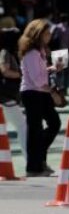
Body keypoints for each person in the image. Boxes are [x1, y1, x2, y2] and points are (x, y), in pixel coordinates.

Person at [18, 19, 61, 177]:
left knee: (53, 123)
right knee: (35, 129)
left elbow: (40, 74)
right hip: (32, 93)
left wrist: (52, 68)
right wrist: (53, 92)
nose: (50, 36)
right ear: (38, 34)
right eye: (47, 33)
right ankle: (34, 166)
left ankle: (38, 160)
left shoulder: (40, 52)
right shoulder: (32, 53)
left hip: (39, 93)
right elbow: (37, 80)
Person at [0, 28, 27, 158]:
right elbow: (4, 70)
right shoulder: (5, 52)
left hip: (5, 97)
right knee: (22, 126)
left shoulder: (9, 52)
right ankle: (30, 160)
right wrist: (20, 75)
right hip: (6, 97)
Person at [50, 14, 69, 94]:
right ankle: (64, 89)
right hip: (65, 52)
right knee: (65, 72)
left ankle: (56, 88)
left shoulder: (55, 28)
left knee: (57, 72)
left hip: (56, 51)